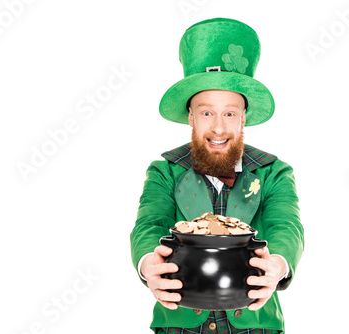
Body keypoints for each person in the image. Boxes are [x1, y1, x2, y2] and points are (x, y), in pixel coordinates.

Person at [130, 17, 304, 333]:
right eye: (207, 112)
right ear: (190, 117)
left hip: (256, 324)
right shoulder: (164, 171)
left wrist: (277, 265)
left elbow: (286, 226)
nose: (219, 127)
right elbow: (149, 225)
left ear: (243, 118)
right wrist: (147, 264)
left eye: (229, 113)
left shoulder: (274, 173)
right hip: (178, 324)